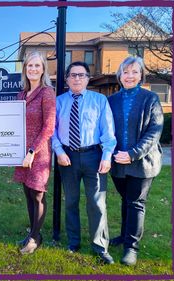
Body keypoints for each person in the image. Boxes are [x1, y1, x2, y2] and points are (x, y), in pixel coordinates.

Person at [51, 61, 116, 264]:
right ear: (67, 79)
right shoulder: (59, 102)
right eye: (73, 75)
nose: (77, 78)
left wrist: (106, 156)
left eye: (81, 75)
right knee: (70, 201)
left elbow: (108, 131)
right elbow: (51, 131)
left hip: (93, 156)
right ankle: (73, 242)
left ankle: (100, 246)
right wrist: (59, 151)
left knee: (96, 202)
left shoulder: (99, 100)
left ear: (88, 78)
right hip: (67, 157)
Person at [108, 56, 163, 266]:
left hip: (143, 162)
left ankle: (131, 247)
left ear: (141, 75)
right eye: (126, 72)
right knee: (126, 200)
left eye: (134, 72)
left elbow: (155, 130)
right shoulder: (111, 100)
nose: (129, 76)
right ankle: (124, 235)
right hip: (118, 162)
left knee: (136, 203)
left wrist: (133, 153)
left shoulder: (150, 99)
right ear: (120, 75)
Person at [13, 51, 56, 254]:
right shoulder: (21, 94)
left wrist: (32, 151)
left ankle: (35, 238)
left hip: (38, 154)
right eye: (30, 65)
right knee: (28, 194)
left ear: (43, 69)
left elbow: (49, 126)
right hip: (21, 153)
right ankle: (33, 233)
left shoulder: (47, 92)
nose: (33, 69)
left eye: (37, 66)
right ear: (25, 69)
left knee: (38, 194)